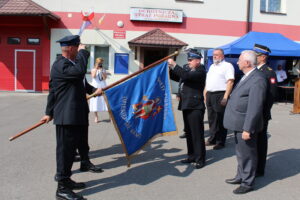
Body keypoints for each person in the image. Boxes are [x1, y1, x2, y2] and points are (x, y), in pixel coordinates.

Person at [41, 35, 102, 200]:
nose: (80, 50)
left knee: (70, 152)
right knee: (65, 153)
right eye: (78, 47)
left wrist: (93, 91)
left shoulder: (72, 65)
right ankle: (61, 188)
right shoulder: (61, 65)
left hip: (76, 115)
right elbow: (77, 74)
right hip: (66, 117)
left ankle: (66, 181)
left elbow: (79, 83)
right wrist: (84, 53)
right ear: (70, 48)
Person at [223, 50, 267, 194]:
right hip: (238, 122)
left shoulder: (258, 79)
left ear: (247, 63)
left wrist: (248, 128)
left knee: (248, 154)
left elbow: (255, 107)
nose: (237, 62)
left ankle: (247, 183)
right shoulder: (247, 76)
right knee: (241, 152)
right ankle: (240, 176)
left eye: (239, 60)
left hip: (245, 125)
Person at [168, 50, 206, 169]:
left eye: (190, 60)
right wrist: (170, 68)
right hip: (187, 104)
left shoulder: (200, 70)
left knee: (197, 134)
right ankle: (191, 156)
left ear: (198, 61)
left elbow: (186, 76)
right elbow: (178, 77)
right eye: (188, 60)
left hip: (195, 106)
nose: (188, 62)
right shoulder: (188, 69)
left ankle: (200, 158)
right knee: (189, 133)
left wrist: (174, 64)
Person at [253, 43, 277, 177]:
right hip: (254, 112)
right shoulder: (256, 70)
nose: (254, 58)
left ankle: (259, 169)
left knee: (260, 141)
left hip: (261, 113)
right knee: (253, 140)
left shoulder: (269, 72)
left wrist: (263, 112)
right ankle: (252, 165)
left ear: (262, 57)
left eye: (256, 56)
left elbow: (272, 95)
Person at [204, 48, 235, 150]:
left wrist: (226, 97)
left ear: (222, 56)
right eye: (213, 55)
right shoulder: (212, 66)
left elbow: (230, 81)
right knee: (212, 118)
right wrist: (205, 93)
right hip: (210, 94)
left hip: (220, 94)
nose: (214, 56)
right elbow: (208, 81)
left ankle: (220, 141)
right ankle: (213, 138)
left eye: (217, 54)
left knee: (220, 119)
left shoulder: (227, 66)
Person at [89, 57, 108, 123]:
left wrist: (102, 71)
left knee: (106, 101)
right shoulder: (93, 69)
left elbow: (105, 78)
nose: (100, 64)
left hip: (102, 85)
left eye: (101, 63)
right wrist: (96, 69)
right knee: (95, 101)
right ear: (96, 63)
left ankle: (110, 116)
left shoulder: (103, 70)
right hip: (95, 86)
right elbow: (93, 76)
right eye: (99, 63)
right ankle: (96, 116)